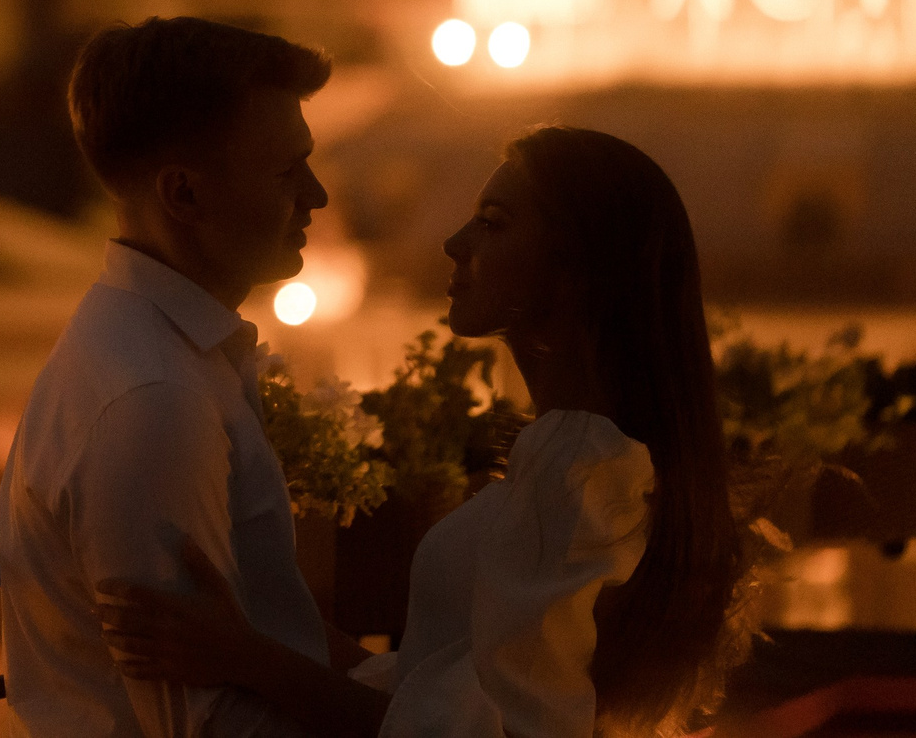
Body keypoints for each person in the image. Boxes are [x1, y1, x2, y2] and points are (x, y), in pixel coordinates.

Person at [95, 126, 743, 738]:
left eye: (492, 223)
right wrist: (260, 624)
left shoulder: (576, 459)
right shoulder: (576, 454)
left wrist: (242, 655)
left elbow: (480, 731)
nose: (455, 241)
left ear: (575, 271)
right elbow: (424, 689)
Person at [0, 16, 346, 737]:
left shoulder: (166, 358)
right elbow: (209, 724)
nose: (316, 195)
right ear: (184, 195)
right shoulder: (155, 400)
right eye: (287, 171)